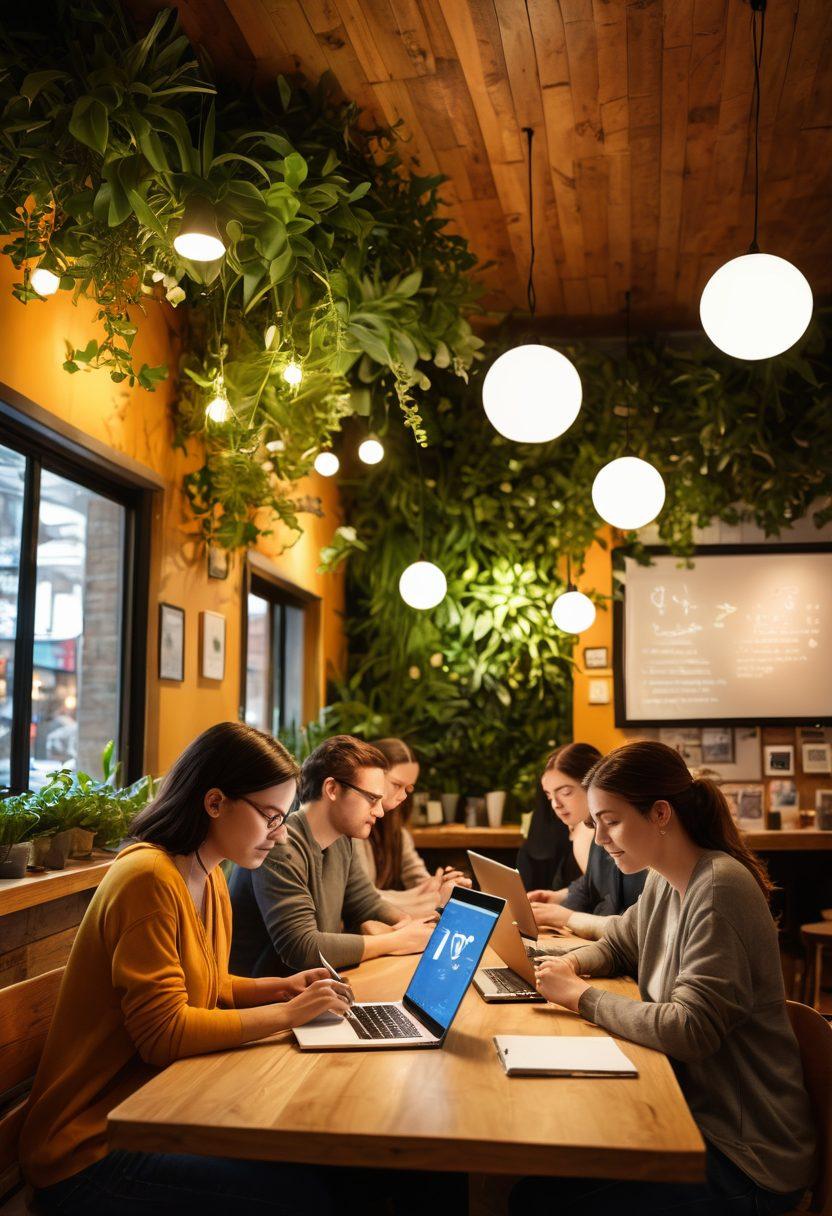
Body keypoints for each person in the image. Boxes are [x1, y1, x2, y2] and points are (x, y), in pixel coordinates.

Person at [20, 721, 352, 1216]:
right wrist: (289, 1015)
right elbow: (163, 1034)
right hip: (88, 1148)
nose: (280, 836)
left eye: (283, 819)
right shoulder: (148, 879)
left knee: (323, 1165)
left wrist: (282, 987)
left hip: (158, 1111)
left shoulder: (208, 872)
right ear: (215, 802)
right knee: (305, 1197)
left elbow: (207, 983)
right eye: (270, 817)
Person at [526, 740, 816, 1216]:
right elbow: (620, 944)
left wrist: (582, 997)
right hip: (693, 1119)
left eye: (611, 821)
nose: (600, 840)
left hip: (746, 1160)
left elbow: (691, 1029)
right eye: (595, 823)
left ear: (661, 813)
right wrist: (570, 965)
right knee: (534, 1190)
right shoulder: (665, 877)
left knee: (542, 1202)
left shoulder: (719, 888)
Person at [229, 735, 435, 975]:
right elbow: (302, 948)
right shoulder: (279, 845)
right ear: (332, 789)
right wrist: (396, 941)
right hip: (267, 994)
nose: (380, 811)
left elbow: (364, 903)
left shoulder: (342, 840)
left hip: (312, 988)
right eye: (371, 799)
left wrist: (406, 925)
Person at [527, 742, 646, 939]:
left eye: (565, 792)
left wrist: (567, 917)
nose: (556, 804)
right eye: (549, 797)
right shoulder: (589, 832)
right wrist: (560, 898)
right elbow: (594, 882)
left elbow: (633, 925)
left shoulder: (634, 840)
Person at [355, 737, 470, 918]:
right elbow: (360, 899)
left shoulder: (397, 831)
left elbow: (416, 877)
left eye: (408, 789)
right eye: (396, 785)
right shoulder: (352, 827)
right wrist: (432, 896)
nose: (403, 796)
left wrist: (440, 885)